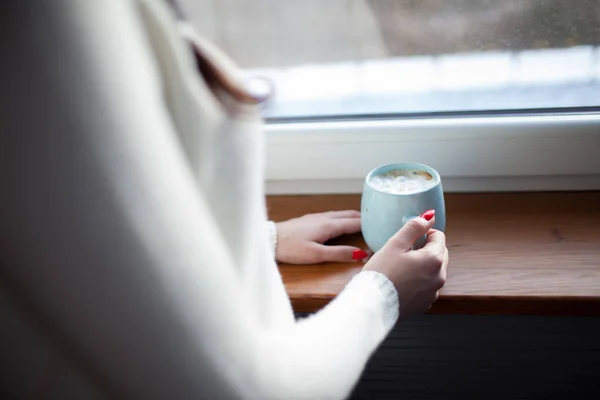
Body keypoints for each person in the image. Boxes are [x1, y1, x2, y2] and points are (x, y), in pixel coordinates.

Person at [0, 0, 448, 398]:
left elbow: (80, 234)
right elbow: (247, 390)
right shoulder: (47, 21)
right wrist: (383, 294)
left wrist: (260, 239)